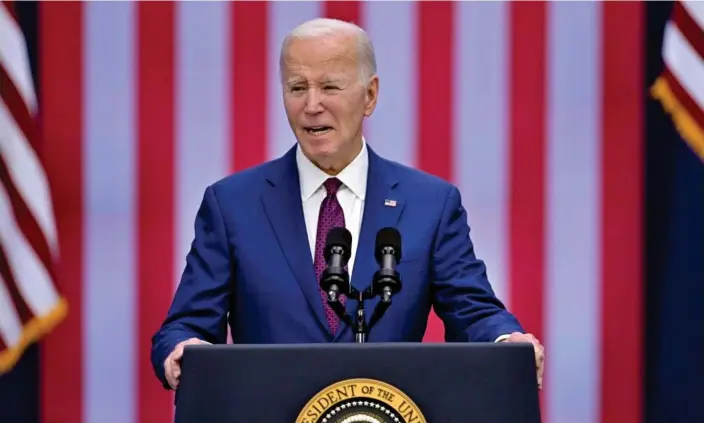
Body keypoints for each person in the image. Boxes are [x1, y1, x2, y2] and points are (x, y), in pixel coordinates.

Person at [151, 17, 545, 392]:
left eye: (330, 87)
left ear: (369, 95)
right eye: (297, 87)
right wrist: (184, 349)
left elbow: (473, 311)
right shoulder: (232, 204)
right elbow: (186, 325)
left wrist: (506, 339)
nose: (312, 105)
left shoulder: (431, 204)